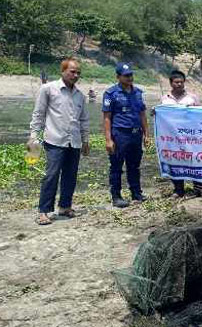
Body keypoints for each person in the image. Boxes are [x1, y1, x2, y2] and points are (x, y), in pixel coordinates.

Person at [28, 58, 89, 225]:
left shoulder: (80, 95)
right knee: (51, 175)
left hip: (74, 142)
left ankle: (64, 206)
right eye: (72, 72)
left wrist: (85, 140)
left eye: (78, 73)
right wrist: (34, 136)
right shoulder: (48, 89)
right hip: (54, 140)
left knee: (70, 175)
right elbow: (39, 114)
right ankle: (44, 211)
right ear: (62, 71)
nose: (75, 75)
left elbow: (83, 119)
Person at [103, 62, 150, 208]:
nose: (130, 78)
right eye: (126, 75)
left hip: (136, 135)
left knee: (134, 166)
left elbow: (142, 114)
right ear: (118, 77)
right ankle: (116, 196)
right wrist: (108, 139)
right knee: (116, 166)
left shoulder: (138, 93)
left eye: (131, 75)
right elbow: (107, 117)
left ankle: (136, 193)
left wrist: (147, 135)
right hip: (120, 134)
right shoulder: (111, 94)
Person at [159, 70, 202, 198]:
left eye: (181, 82)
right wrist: (156, 112)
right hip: (172, 137)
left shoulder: (192, 98)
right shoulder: (165, 99)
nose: (179, 84)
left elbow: (201, 115)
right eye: (176, 82)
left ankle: (199, 188)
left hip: (190, 137)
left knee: (194, 160)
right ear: (171, 83)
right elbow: (161, 117)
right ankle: (178, 189)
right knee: (174, 160)